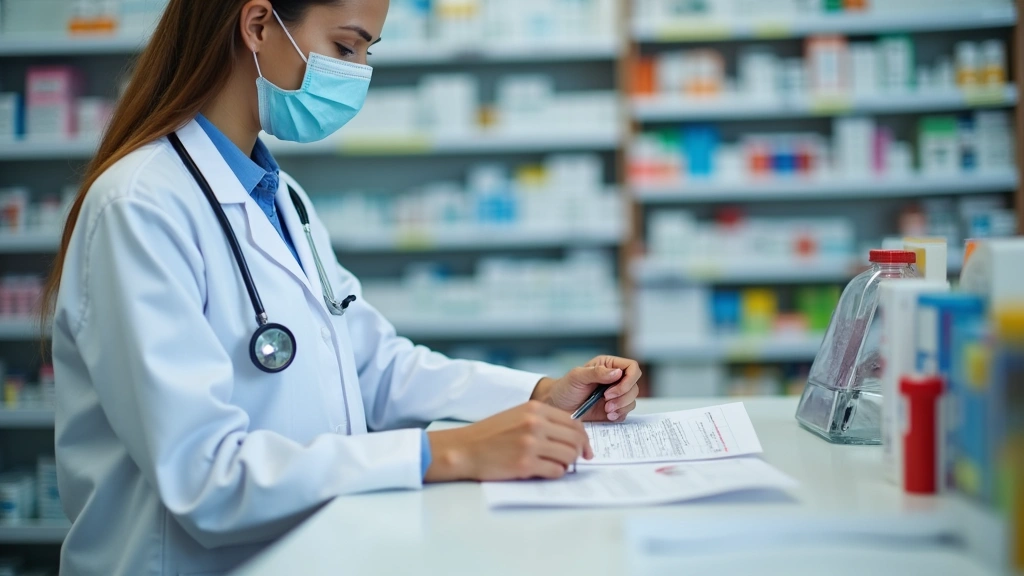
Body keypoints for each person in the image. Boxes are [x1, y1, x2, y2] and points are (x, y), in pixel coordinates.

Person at [40, 1, 642, 574]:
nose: (359, 76)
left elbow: (374, 367)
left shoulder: (282, 198)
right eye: (345, 48)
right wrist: (446, 453)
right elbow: (204, 476)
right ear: (257, 24)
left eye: (365, 54)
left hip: (309, 551)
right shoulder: (140, 206)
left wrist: (540, 393)